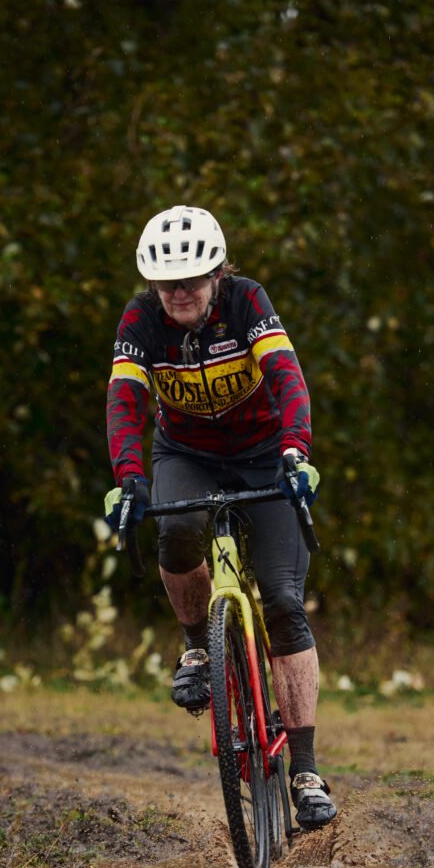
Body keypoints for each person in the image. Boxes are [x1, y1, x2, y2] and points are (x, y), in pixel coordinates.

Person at [104, 205, 336, 830]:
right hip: (187, 455)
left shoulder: (247, 301)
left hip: (265, 456)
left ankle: (306, 771)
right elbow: (124, 401)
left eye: (190, 280)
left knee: (283, 599)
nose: (178, 293)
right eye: (165, 284)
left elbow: (287, 377)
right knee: (176, 532)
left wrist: (297, 451)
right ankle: (197, 651)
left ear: (216, 275)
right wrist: (129, 478)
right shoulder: (140, 320)